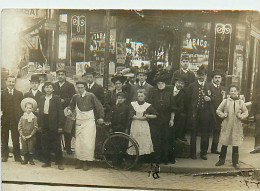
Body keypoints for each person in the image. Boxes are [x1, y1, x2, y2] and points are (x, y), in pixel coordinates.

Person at [67, 81, 104, 171]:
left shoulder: (91, 96)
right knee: (79, 142)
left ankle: (86, 162)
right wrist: (69, 110)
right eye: (78, 88)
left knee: (88, 142)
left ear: (85, 87)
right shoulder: (75, 97)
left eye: (81, 88)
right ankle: (79, 161)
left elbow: (99, 107)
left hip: (89, 122)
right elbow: (70, 106)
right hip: (79, 121)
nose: (79, 89)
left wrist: (101, 117)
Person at [215, 85, 248, 168]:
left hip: (236, 125)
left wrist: (241, 116)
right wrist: (223, 115)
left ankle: (235, 162)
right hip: (227, 124)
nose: (233, 92)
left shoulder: (241, 102)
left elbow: (246, 112)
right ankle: (221, 160)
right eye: (231, 91)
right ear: (229, 92)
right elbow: (218, 110)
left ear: (237, 92)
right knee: (225, 142)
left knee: (235, 143)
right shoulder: (225, 101)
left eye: (234, 91)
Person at [187, 65, 212, 160]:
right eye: (200, 75)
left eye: (203, 75)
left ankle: (203, 153)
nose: (201, 77)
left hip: (205, 113)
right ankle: (192, 153)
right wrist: (191, 111)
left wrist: (209, 98)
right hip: (194, 113)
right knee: (193, 133)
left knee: (204, 133)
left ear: (206, 75)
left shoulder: (209, 86)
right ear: (197, 75)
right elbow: (188, 100)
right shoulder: (192, 86)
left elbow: (214, 98)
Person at [38, 82, 64, 170]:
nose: (48, 89)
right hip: (44, 121)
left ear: (53, 89)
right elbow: (40, 113)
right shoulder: (41, 98)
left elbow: (60, 113)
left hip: (54, 123)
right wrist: (40, 125)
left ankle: (60, 162)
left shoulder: (56, 98)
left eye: (50, 87)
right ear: (44, 89)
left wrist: (60, 126)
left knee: (56, 143)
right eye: (46, 87)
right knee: (45, 143)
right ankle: (47, 162)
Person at [150, 73, 175, 164]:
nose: (161, 85)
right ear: (157, 85)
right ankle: (157, 159)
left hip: (166, 119)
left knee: (166, 139)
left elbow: (173, 108)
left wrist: (172, 119)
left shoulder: (169, 95)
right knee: (156, 139)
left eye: (162, 83)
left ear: (165, 84)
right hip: (156, 119)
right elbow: (150, 106)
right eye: (159, 83)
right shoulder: (153, 94)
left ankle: (165, 158)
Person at [128, 89, 157, 162]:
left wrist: (148, 116)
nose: (140, 97)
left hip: (144, 125)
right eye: (139, 96)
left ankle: (143, 159)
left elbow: (155, 115)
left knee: (143, 140)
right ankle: (134, 158)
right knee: (135, 139)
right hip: (135, 124)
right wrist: (139, 118)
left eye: (142, 96)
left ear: (145, 97)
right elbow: (131, 114)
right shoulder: (133, 104)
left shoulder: (148, 105)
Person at [53, 69, 76, 155]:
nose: (60, 76)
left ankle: (68, 148)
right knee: (57, 130)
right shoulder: (54, 85)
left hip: (66, 110)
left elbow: (73, 98)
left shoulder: (70, 85)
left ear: (65, 76)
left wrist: (64, 101)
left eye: (62, 74)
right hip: (56, 111)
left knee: (67, 130)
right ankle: (57, 149)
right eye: (59, 74)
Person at [1, 75, 23, 162]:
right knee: (4, 138)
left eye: (13, 82)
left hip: (15, 119)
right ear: (6, 82)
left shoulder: (19, 94)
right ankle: (4, 156)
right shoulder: (2, 93)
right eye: (9, 81)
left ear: (15, 83)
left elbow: (22, 107)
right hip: (5, 119)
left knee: (16, 138)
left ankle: (17, 157)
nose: (11, 83)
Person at [24, 74, 44, 160]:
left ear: (39, 84)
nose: (34, 85)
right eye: (32, 83)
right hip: (29, 118)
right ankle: (29, 154)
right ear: (30, 84)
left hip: (38, 118)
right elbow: (23, 106)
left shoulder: (42, 94)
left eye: (36, 83)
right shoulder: (26, 94)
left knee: (38, 135)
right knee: (29, 134)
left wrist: (39, 110)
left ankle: (38, 154)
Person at [18, 98, 38, 165]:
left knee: (31, 147)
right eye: (27, 108)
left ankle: (31, 159)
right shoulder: (22, 117)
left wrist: (31, 135)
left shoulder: (34, 117)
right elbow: (19, 126)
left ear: (32, 109)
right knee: (24, 148)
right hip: (23, 135)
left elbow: (35, 127)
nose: (28, 109)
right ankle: (25, 159)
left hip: (31, 136)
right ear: (25, 108)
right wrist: (21, 134)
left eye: (30, 108)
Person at [209, 70, 225, 154]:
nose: (217, 79)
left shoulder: (223, 89)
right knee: (208, 130)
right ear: (212, 79)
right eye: (216, 78)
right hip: (210, 111)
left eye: (219, 78)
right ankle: (203, 150)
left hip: (219, 112)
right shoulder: (209, 87)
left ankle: (214, 148)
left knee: (217, 130)